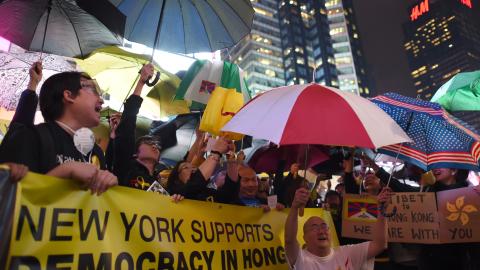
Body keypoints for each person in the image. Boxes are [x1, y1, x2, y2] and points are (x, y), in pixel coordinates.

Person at [0, 70, 117, 195]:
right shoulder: (29, 137)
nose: (101, 100)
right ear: (69, 96)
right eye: (93, 90)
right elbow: (11, 200)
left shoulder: (96, 152)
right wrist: (66, 170)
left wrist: (110, 185)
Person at [284, 187, 391, 270]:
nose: (321, 231)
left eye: (324, 226)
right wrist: (294, 207)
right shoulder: (301, 259)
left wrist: (382, 210)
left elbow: (379, 244)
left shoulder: (347, 252)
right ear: (304, 237)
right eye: (314, 228)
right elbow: (289, 240)